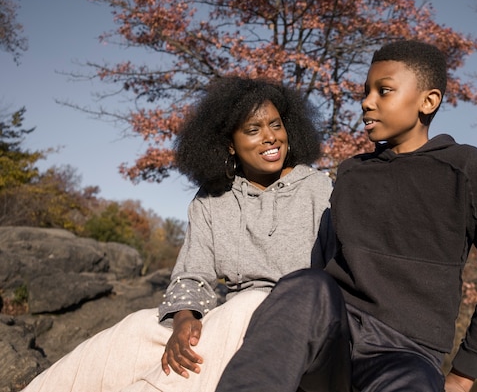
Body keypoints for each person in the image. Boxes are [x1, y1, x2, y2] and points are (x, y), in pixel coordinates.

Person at [214, 40, 477, 392]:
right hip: (333, 337)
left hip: (407, 355)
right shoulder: (351, 173)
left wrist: (463, 375)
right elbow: (322, 262)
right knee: (305, 285)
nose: (366, 101)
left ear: (428, 100)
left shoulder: (466, 168)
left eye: (384, 91)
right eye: (365, 91)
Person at [21, 76, 335, 392]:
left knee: (246, 307)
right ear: (229, 144)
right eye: (253, 130)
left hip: (289, 322)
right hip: (229, 316)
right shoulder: (212, 198)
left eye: (276, 125)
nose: (270, 137)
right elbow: (192, 273)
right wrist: (185, 319)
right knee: (139, 327)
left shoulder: (319, 190)